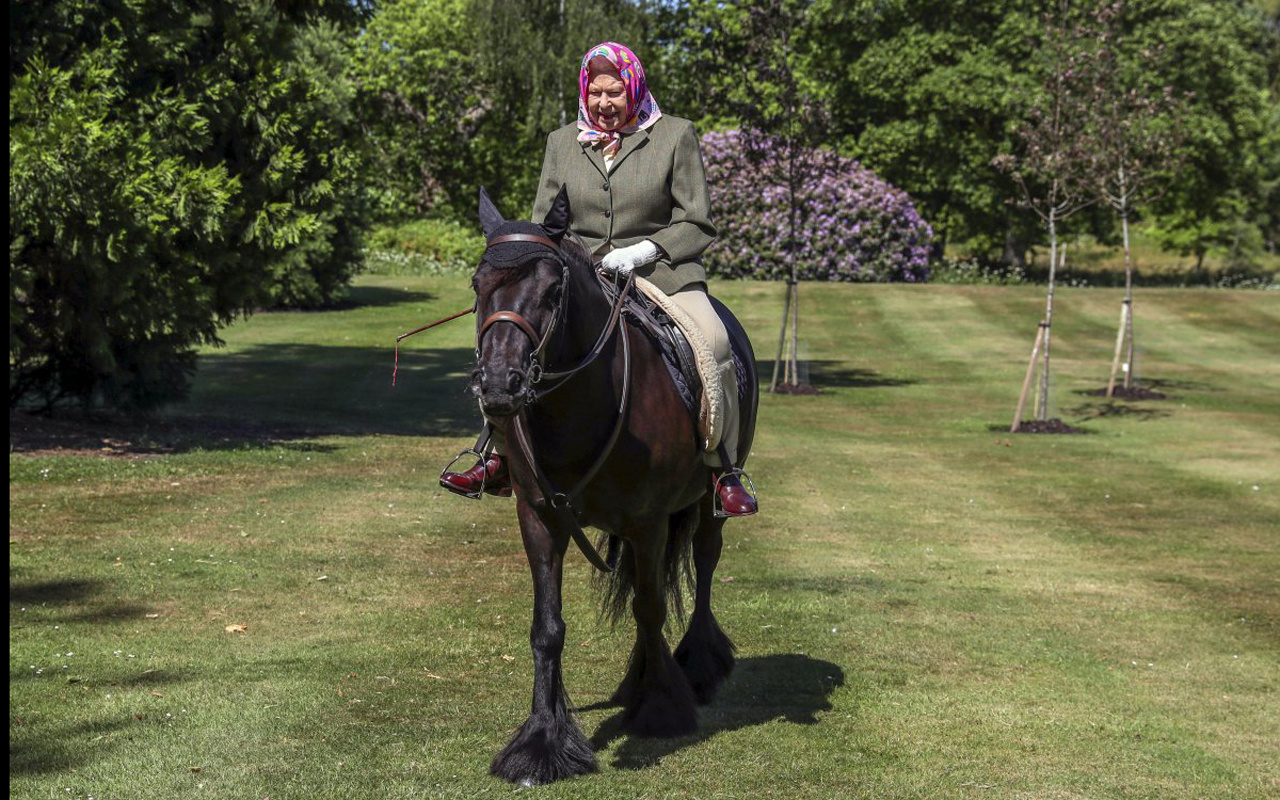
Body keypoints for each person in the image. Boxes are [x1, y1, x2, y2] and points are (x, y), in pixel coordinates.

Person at [442, 41, 756, 517]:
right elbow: (546, 224)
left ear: (634, 88)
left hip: (662, 272)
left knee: (713, 341)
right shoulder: (561, 142)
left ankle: (722, 468)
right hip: (580, 275)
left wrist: (644, 251)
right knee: (511, 342)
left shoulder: (674, 136)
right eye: (596, 93)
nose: (605, 103)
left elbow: (697, 221)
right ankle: (499, 455)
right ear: (584, 93)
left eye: (615, 92)